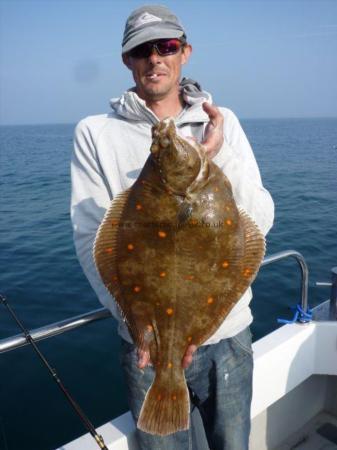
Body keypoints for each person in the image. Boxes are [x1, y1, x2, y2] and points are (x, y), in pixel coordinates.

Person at [71, 4, 274, 450]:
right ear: (128, 60)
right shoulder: (94, 132)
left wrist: (214, 161)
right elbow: (92, 240)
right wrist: (140, 325)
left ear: (184, 52)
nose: (155, 58)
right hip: (146, 345)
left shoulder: (223, 122)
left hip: (228, 336)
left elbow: (259, 218)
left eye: (166, 46)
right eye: (142, 50)